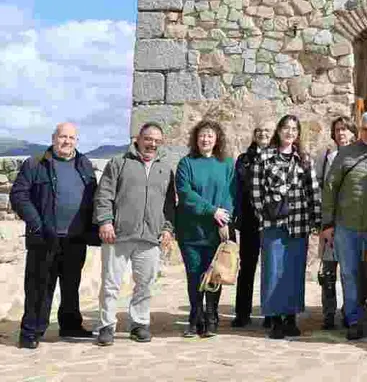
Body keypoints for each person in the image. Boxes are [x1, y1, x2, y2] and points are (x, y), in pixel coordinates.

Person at [11, 122, 98, 349]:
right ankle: (31, 331)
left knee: (71, 285)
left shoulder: (85, 164)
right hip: (44, 238)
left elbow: (94, 197)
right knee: (39, 287)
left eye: (71, 138)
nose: (66, 141)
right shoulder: (35, 164)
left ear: (76, 141)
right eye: (62, 137)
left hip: (75, 238)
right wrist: (37, 224)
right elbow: (19, 195)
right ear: (53, 138)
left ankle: (70, 325)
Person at [94, 122, 176, 346]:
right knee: (111, 283)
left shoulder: (165, 169)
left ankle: (139, 324)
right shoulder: (118, 163)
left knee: (145, 283)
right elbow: (104, 196)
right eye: (148, 139)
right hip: (118, 234)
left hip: (150, 236)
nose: (152, 144)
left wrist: (167, 229)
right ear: (138, 139)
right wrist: (105, 222)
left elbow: (169, 205)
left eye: (157, 141)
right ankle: (106, 326)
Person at [321, 111, 367, 339]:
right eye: (365, 129)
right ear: (359, 130)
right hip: (346, 225)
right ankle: (353, 320)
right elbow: (330, 188)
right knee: (349, 274)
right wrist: (327, 224)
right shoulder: (346, 153)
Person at [251, 115, 321, 339]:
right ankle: (276, 319)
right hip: (274, 224)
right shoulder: (264, 157)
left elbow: (313, 192)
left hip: (299, 224)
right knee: (273, 270)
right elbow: (256, 191)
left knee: (293, 272)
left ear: (298, 134)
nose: (290, 132)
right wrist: (265, 214)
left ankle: (291, 316)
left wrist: (316, 220)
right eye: (286, 128)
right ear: (279, 131)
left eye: (294, 129)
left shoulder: (304, 159)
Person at [175, 120, 235, 338]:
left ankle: (211, 317)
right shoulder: (186, 163)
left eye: (210, 135)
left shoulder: (227, 164)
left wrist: (224, 217)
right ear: (196, 138)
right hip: (191, 231)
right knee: (194, 275)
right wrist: (212, 211)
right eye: (202, 135)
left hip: (216, 230)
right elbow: (186, 193)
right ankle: (195, 316)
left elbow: (231, 193)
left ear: (216, 139)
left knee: (214, 275)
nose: (205, 139)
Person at [315, 116, 355, 331]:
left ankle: (350, 313)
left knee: (350, 272)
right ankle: (328, 314)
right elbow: (319, 188)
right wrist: (323, 222)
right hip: (331, 221)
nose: (342, 133)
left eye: (346, 129)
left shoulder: (359, 154)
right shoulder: (327, 157)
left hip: (352, 222)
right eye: (338, 129)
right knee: (328, 271)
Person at [232, 123, 272, 328]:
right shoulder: (244, 159)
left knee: (270, 268)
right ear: (254, 135)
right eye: (259, 131)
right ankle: (242, 313)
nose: (263, 134)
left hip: (272, 221)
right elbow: (238, 190)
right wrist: (236, 216)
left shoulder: (278, 157)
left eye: (267, 131)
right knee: (247, 268)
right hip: (249, 221)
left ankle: (270, 312)